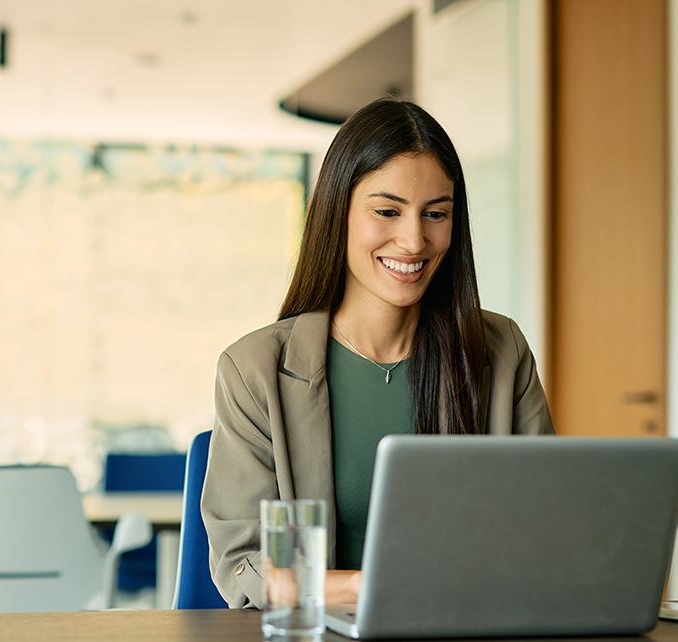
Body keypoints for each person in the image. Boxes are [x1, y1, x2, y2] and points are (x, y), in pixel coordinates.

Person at [200, 98, 555, 609]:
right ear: (337, 212)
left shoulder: (502, 352)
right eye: (387, 211)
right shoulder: (256, 369)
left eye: (436, 214)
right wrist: (371, 588)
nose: (414, 240)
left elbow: (546, 526)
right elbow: (247, 562)